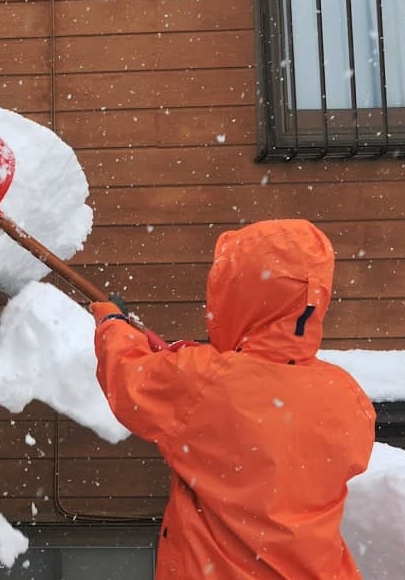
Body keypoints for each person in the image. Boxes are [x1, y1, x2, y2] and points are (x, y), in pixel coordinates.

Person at [92, 218, 374, 580]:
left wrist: (112, 324)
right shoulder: (346, 394)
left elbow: (130, 379)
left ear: (239, 295)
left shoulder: (207, 380)